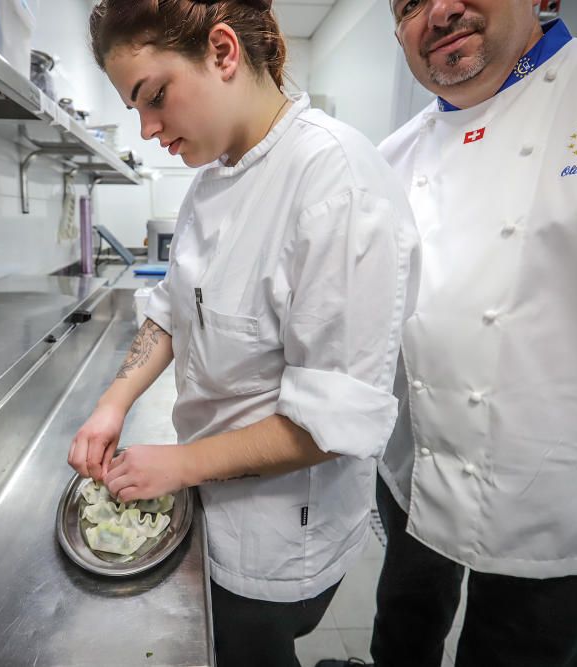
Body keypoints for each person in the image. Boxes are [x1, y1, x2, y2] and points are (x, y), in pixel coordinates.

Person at [68, 1, 420, 664]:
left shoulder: (336, 183)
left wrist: (174, 464)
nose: (148, 130)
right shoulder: (211, 181)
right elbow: (172, 307)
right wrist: (112, 403)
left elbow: (329, 424)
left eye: (155, 97)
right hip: (209, 492)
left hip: (279, 534)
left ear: (224, 52)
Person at [361, 1, 577, 666]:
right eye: (409, 4)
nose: (440, 10)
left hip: (571, 498)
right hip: (416, 474)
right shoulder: (390, 158)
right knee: (400, 634)